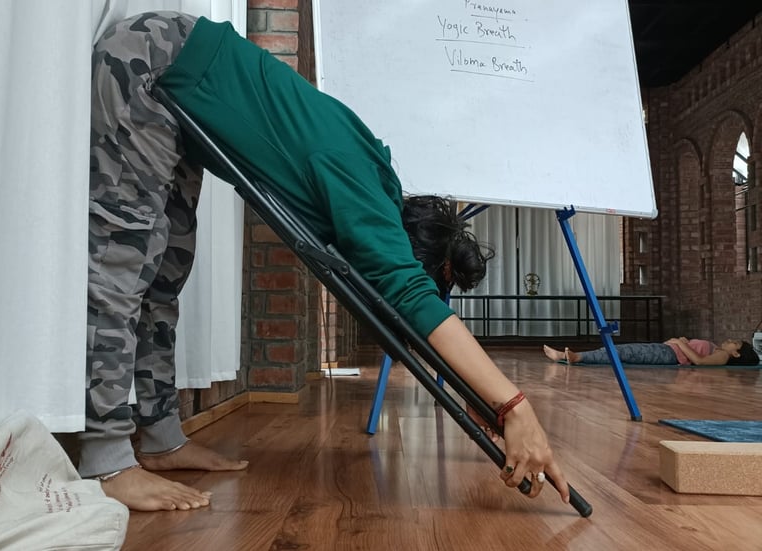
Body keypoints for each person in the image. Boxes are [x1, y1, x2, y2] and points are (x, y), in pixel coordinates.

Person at [84, 11, 570, 512]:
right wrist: (515, 406)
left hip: (181, 93)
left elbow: (403, 295)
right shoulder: (365, 194)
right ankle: (107, 464)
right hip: (153, 65)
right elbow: (407, 295)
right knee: (122, 271)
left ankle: (162, 439)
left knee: (163, 280)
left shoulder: (375, 188)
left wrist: (477, 391)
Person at [543, 338, 759, 366]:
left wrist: (681, 343)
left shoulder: (721, 355)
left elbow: (700, 362)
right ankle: (572, 356)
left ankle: (575, 356)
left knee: (621, 351)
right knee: (622, 350)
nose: (730, 340)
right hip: (665, 350)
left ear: (736, 355)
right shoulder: (717, 348)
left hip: (668, 354)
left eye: (735, 344)